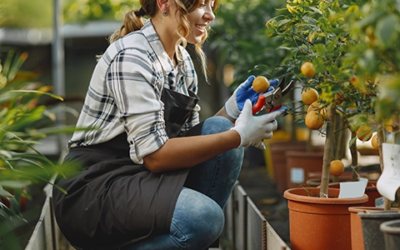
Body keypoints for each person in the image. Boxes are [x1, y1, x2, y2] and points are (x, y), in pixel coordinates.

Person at [52, 0, 286, 249]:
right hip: (96, 188)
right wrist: (239, 136)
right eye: (201, 4)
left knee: (219, 129)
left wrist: (231, 112)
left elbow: (191, 144)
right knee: (203, 218)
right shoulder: (133, 58)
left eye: (212, 5)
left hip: (139, 176)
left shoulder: (182, 60)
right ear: (164, 3)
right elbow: (155, 157)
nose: (210, 16)